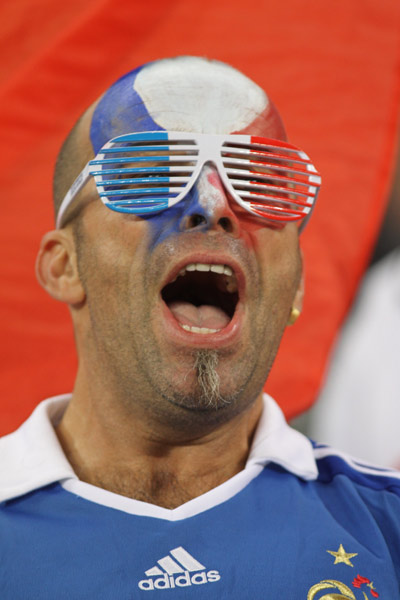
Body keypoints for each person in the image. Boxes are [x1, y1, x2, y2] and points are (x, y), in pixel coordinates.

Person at [0, 56, 399, 598]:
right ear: (64, 265)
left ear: (297, 288)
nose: (212, 205)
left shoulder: (386, 527)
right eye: (148, 175)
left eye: (262, 186)